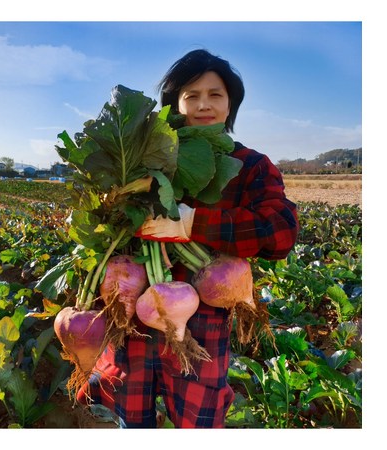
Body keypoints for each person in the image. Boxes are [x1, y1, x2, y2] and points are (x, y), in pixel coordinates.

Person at [76, 49, 299, 428]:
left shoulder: (250, 165)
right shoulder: (145, 160)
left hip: (206, 323)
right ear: (175, 103)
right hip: (135, 318)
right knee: (132, 420)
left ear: (231, 104)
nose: (203, 105)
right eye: (191, 96)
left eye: (215, 95)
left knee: (199, 422)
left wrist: (194, 223)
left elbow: (280, 233)